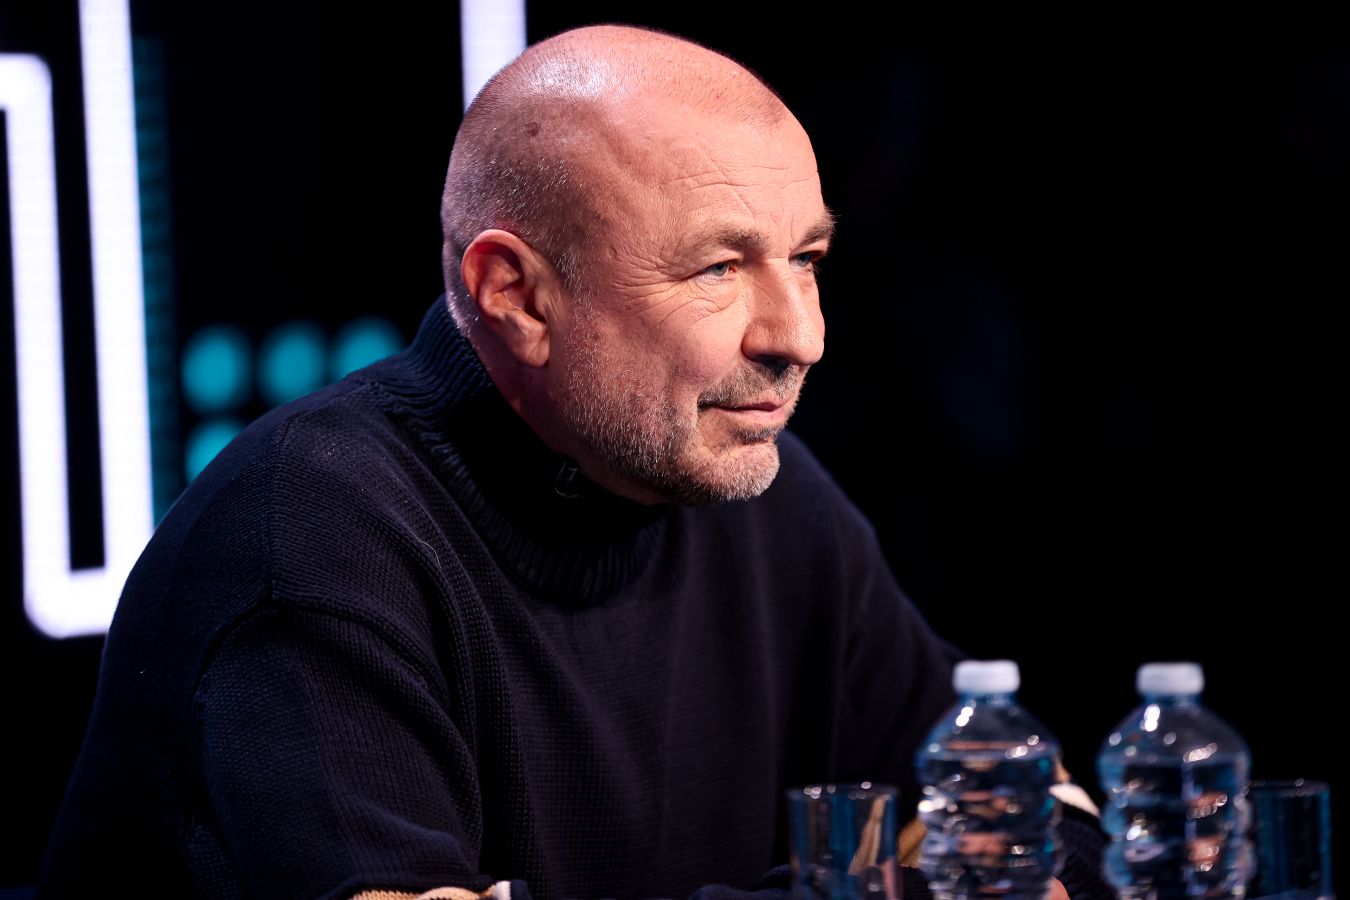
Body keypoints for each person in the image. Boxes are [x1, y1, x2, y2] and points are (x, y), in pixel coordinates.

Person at [39, 25, 1105, 900]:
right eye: (719, 267)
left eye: (807, 259)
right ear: (516, 296)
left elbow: (1038, 824)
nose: (801, 337)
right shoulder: (310, 533)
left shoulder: (760, 494)